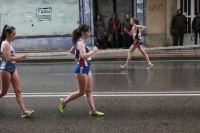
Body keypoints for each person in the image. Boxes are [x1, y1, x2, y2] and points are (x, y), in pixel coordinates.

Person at [58, 24, 104, 116]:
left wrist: (77, 50)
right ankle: (63, 102)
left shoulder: (80, 42)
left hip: (87, 68)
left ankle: (93, 110)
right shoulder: (80, 43)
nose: (89, 33)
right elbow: (83, 56)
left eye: (89, 31)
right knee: (81, 92)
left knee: (89, 91)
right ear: (83, 32)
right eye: (88, 32)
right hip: (81, 69)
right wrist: (93, 51)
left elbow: (71, 51)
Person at [0, 25, 34, 118]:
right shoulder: (5, 43)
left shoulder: (8, 43)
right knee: (3, 92)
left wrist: (15, 55)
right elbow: (8, 58)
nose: (15, 36)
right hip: (6, 70)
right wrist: (21, 57)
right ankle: (24, 111)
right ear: (7, 34)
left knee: (18, 90)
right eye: (13, 34)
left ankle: (24, 111)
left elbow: (6, 55)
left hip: (13, 68)